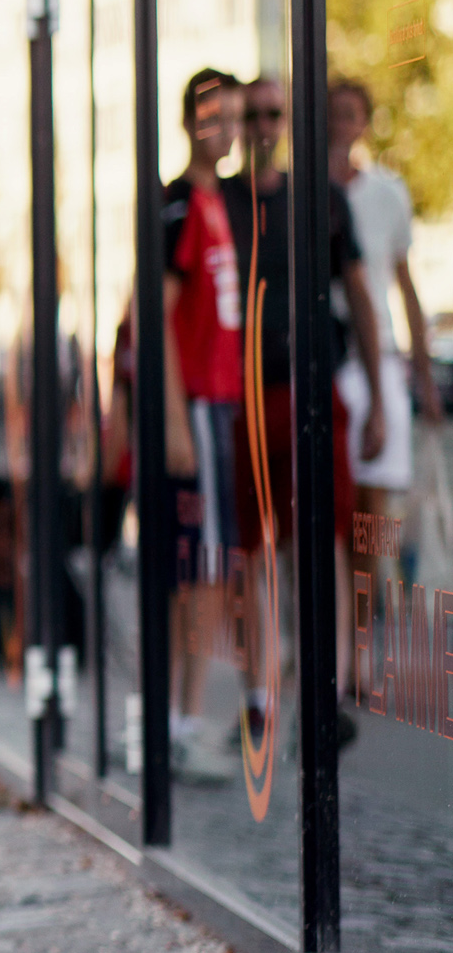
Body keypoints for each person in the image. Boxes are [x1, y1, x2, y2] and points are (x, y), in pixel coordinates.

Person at [222, 74, 388, 749]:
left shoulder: (322, 200)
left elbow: (361, 298)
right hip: (246, 399)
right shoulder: (218, 203)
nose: (263, 127)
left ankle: (328, 696)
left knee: (326, 542)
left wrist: (379, 398)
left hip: (317, 394)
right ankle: (261, 700)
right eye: (253, 115)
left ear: (287, 122)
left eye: (273, 114)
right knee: (257, 551)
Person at [156, 69, 247, 785]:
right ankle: (176, 722)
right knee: (193, 570)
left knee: (212, 568)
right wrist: (175, 417)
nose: (227, 131)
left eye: (235, 118)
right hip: (196, 405)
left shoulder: (224, 203)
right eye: (215, 117)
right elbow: (154, 314)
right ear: (190, 121)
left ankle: (186, 716)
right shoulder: (179, 203)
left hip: (223, 405)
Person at [330, 76, 443, 531]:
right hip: (328, 360)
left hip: (378, 356)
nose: (340, 125)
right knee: (333, 506)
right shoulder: (302, 193)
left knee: (375, 515)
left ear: (364, 124)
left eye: (350, 115)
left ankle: (373, 582)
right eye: (332, 114)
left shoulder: (387, 192)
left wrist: (424, 377)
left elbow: (405, 285)